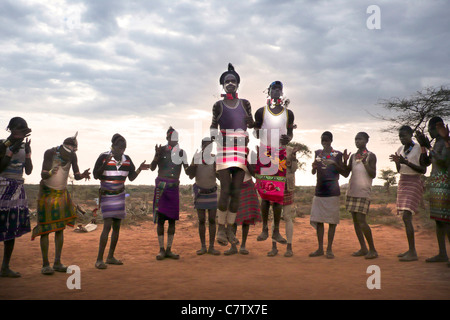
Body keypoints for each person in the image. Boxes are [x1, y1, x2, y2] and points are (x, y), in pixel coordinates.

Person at [31, 133, 91, 275]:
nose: (71, 153)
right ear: (63, 147)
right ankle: (45, 264)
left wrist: (82, 175)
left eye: (73, 151)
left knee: (59, 228)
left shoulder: (72, 156)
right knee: (45, 229)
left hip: (61, 193)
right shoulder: (50, 153)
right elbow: (43, 174)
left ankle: (57, 262)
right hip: (46, 193)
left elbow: (76, 175)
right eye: (70, 151)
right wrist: (51, 171)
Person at [210, 63, 254, 247]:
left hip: (241, 150)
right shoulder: (218, 105)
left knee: (236, 191)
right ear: (222, 85)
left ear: (237, 84)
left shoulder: (245, 104)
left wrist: (251, 122)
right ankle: (220, 228)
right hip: (224, 150)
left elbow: (251, 125)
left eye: (233, 81)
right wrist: (215, 140)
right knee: (226, 189)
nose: (230, 83)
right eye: (227, 81)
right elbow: (213, 126)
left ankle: (229, 228)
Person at [93, 134, 150, 269]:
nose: (121, 150)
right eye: (119, 147)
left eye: (124, 148)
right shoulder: (103, 157)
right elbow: (96, 175)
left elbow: (132, 178)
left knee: (117, 227)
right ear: (113, 146)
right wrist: (105, 164)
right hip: (107, 195)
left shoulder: (127, 160)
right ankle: (99, 259)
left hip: (119, 195)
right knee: (107, 226)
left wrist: (139, 169)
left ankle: (110, 256)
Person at [253, 81, 295, 256]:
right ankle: (264, 228)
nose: (276, 91)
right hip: (265, 153)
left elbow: (291, 133)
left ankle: (276, 230)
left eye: (279, 89)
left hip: (280, 155)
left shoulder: (288, 114)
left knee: (277, 196)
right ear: (268, 92)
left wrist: (288, 139)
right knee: (265, 194)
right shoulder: (260, 112)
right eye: (273, 89)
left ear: (282, 92)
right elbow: (255, 132)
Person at [0, 117, 32, 277]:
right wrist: (12, 148)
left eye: (23, 129)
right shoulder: (2, 144)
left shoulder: (25, 147)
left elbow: (29, 171)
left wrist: (27, 154)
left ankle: (5, 267)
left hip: (17, 189)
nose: (21, 132)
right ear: (11, 129)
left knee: (10, 230)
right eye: (18, 129)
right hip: (2, 188)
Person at [389, 125, 426, 262]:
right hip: (403, 181)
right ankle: (411, 250)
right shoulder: (400, 149)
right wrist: (398, 162)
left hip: (414, 181)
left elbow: (423, 170)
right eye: (400, 136)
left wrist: (406, 161)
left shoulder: (418, 148)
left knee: (406, 215)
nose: (401, 138)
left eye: (404, 135)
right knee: (405, 217)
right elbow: (399, 169)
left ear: (410, 135)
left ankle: (413, 252)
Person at [151, 127, 188, 260]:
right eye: (173, 137)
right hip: (161, 188)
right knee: (161, 220)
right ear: (167, 138)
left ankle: (169, 249)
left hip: (173, 188)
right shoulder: (161, 151)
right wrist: (156, 156)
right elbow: (152, 168)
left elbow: (188, 171)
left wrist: (195, 165)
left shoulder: (182, 153)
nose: (175, 140)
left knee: (172, 220)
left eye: (177, 137)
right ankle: (161, 250)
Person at [416, 117, 450, 266]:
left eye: (431, 129)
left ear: (439, 127)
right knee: (438, 219)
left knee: (447, 220)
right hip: (436, 183)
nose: (430, 132)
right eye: (429, 130)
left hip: (445, 182)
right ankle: (442, 253)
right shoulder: (436, 143)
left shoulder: (445, 143)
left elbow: (443, 161)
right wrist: (423, 147)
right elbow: (426, 163)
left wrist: (429, 148)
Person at [341, 132, 378, 259]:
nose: (357, 141)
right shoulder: (353, 156)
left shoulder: (370, 156)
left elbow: (373, 174)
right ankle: (363, 248)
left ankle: (373, 250)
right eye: (356, 139)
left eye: (360, 139)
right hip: (352, 191)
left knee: (362, 221)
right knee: (356, 221)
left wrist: (366, 164)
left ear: (366, 140)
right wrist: (344, 161)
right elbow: (346, 174)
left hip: (363, 191)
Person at [309, 131, 345, 259]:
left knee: (331, 222)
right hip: (319, 190)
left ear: (331, 140)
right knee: (318, 221)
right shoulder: (317, 153)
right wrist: (313, 168)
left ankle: (329, 249)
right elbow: (314, 171)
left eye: (326, 140)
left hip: (332, 191)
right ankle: (320, 248)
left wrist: (334, 164)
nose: (324, 142)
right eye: (322, 140)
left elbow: (343, 172)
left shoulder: (337, 154)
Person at [186, 138, 220, 255]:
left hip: (212, 192)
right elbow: (190, 176)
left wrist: (217, 171)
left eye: (210, 146)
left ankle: (211, 246)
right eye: (206, 146)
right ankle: (203, 247)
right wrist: (194, 165)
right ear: (202, 147)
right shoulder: (196, 158)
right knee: (201, 220)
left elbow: (220, 177)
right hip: (200, 193)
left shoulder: (215, 158)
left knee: (211, 220)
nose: (208, 148)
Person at [224, 151, 261, 256]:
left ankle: (243, 246)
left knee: (247, 219)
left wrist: (245, 162)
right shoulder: (230, 154)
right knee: (233, 218)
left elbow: (255, 174)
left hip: (248, 186)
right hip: (235, 188)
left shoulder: (251, 154)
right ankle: (233, 246)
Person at [269, 144, 299, 257]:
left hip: (286, 187)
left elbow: (294, 169)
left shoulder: (291, 150)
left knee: (287, 216)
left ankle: (289, 247)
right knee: (274, 218)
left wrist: (294, 157)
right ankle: (274, 247)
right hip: (275, 186)